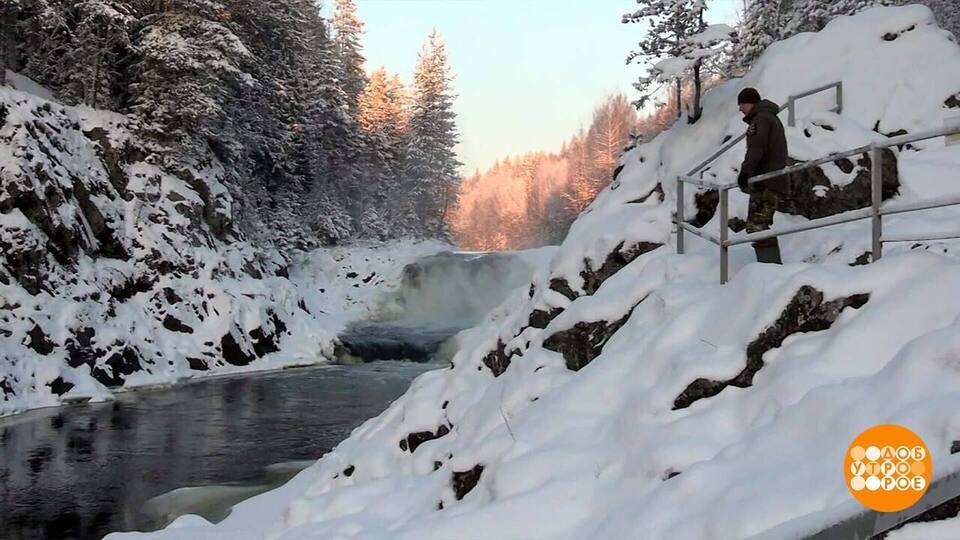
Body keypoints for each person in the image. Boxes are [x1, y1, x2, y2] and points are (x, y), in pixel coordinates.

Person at [737, 87, 788, 264]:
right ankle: (770, 266)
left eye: (742, 104)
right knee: (758, 225)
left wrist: (745, 173)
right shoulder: (768, 118)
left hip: (767, 181)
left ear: (750, 103)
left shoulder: (761, 120)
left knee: (757, 225)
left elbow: (756, 149)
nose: (740, 109)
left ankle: (771, 267)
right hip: (769, 180)